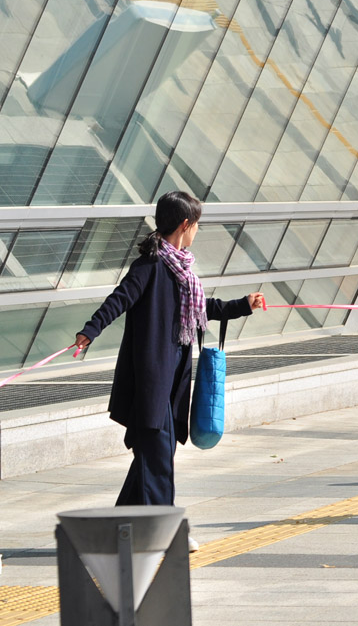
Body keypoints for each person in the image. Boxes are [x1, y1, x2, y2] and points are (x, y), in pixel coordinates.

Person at [73, 191, 265, 549]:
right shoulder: (150, 266)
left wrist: (242, 305)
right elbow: (120, 299)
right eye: (196, 226)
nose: (196, 233)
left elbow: (200, 308)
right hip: (149, 382)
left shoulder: (181, 270)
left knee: (153, 457)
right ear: (185, 225)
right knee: (158, 456)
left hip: (172, 381)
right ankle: (169, 529)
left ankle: (117, 527)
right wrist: (90, 330)